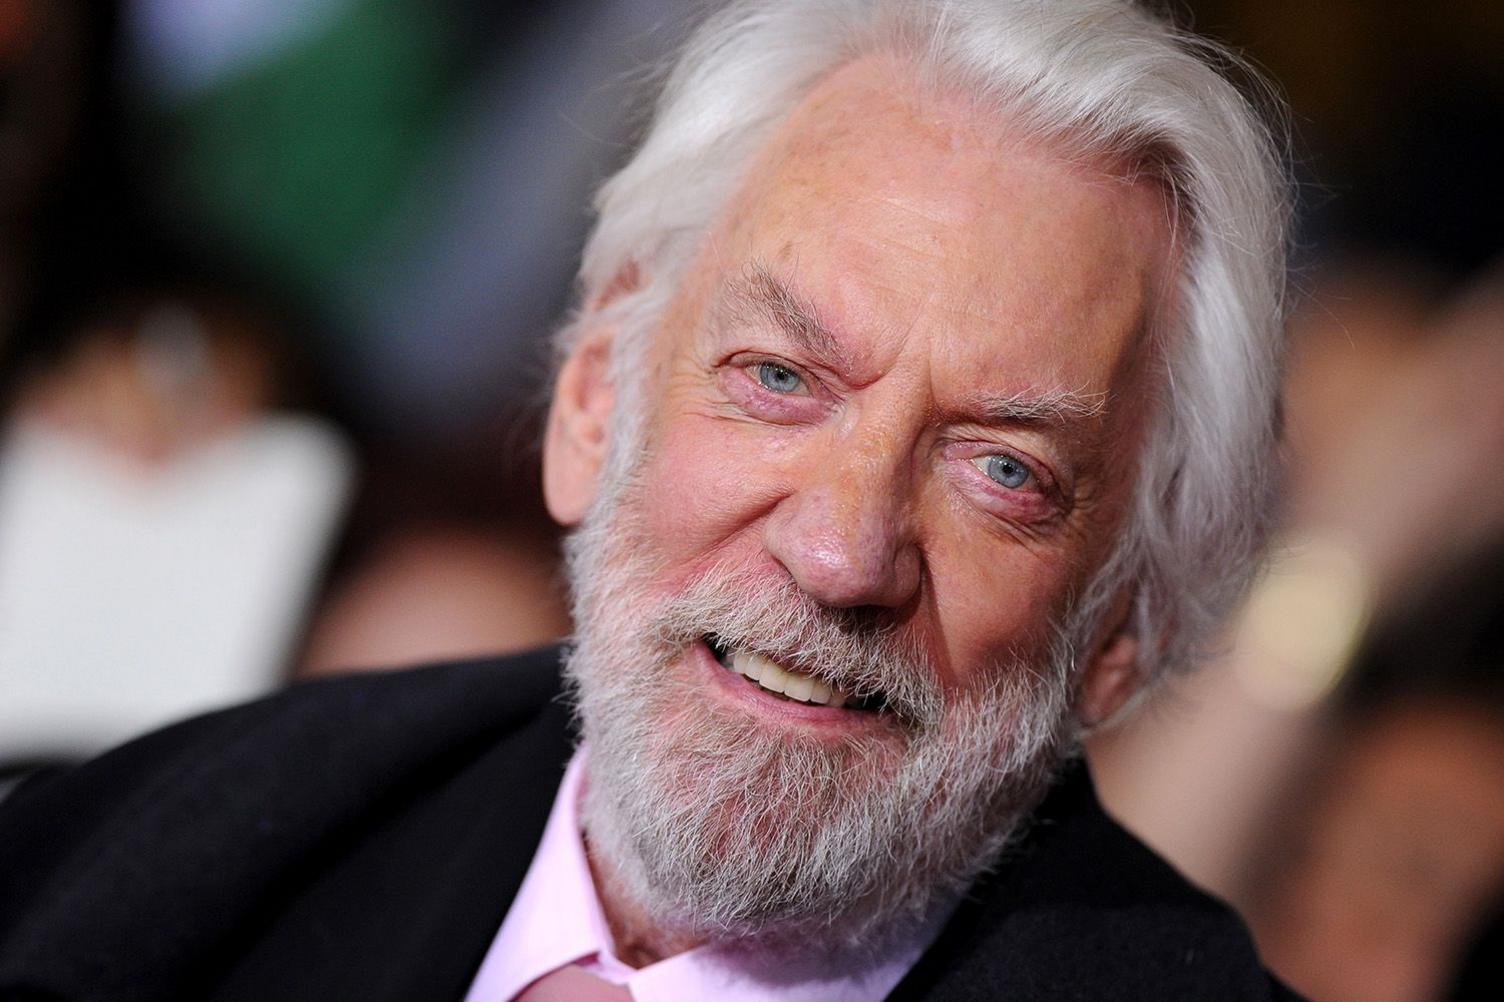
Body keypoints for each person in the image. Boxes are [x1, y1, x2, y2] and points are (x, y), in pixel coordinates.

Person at [0, 1, 1295, 998]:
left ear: (1126, 618)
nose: (844, 551)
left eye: (1003, 469)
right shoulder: (135, 867)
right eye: (780, 376)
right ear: (594, 400)